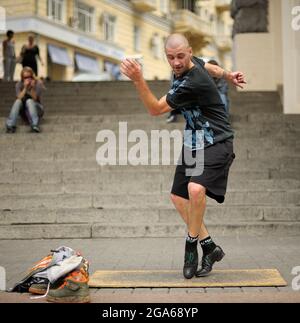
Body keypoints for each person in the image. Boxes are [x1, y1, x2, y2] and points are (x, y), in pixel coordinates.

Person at [121, 33, 246, 279]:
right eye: (170, 57)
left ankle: (192, 247)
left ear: (188, 51)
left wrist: (138, 80)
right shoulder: (193, 62)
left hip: (217, 141)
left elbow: (155, 109)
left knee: (196, 190)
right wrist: (228, 75)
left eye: (180, 56)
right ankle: (210, 247)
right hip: (194, 142)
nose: (176, 62)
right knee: (179, 197)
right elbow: (208, 65)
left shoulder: (193, 81)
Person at [5, 66, 45, 133]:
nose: (28, 79)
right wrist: (25, 88)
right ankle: (10, 125)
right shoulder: (18, 84)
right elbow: (19, 98)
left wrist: (32, 88)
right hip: (24, 111)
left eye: (30, 77)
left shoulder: (38, 83)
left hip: (37, 109)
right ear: (22, 78)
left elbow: (35, 99)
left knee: (29, 101)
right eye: (26, 77)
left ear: (32, 76)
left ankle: (35, 125)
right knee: (18, 101)